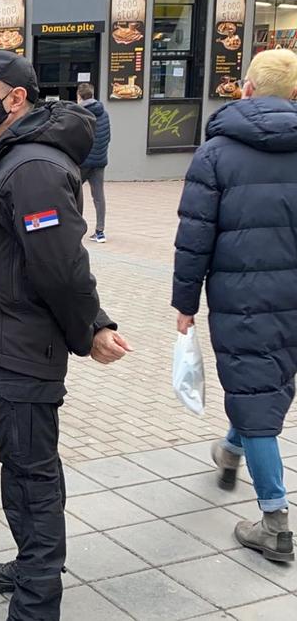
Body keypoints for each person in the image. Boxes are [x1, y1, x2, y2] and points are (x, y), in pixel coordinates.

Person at [0, 51, 132, 620]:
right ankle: (30, 564)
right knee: (19, 464)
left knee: (32, 474)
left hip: (23, 349)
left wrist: (92, 327)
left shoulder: (31, 167)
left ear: (16, 100)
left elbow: (60, 266)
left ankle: (37, 600)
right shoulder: (8, 156)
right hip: (1, 341)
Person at [174, 49, 297, 563]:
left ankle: (275, 523)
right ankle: (231, 449)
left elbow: (194, 235)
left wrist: (184, 303)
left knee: (256, 392)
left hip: (240, 296)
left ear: (246, 88)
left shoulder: (217, 152)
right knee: (268, 383)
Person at [76, 83, 110, 243]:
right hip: (99, 161)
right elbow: (107, 137)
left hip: (82, 161)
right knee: (98, 196)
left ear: (79, 96)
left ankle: (74, 228)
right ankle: (100, 231)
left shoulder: (80, 114)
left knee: (72, 193)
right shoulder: (104, 113)